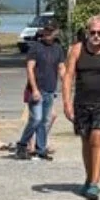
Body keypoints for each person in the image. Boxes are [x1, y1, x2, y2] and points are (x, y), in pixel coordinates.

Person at [63, 14, 100, 200]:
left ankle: (95, 184)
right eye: (93, 32)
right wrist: (66, 102)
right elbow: (68, 76)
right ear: (87, 32)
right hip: (81, 102)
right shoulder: (76, 49)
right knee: (86, 141)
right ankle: (89, 178)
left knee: (97, 138)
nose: (96, 36)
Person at [16, 20, 65, 161]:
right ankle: (22, 144)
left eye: (51, 31)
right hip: (37, 89)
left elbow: (61, 68)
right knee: (36, 119)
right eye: (46, 30)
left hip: (50, 89)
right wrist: (34, 89)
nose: (48, 33)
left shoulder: (58, 48)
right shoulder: (36, 47)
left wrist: (66, 83)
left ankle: (41, 149)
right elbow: (30, 68)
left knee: (44, 121)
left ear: (56, 32)